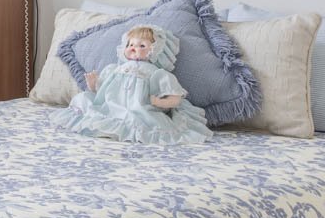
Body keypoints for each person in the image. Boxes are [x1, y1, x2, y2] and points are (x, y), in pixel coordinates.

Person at [54, 24, 212, 144]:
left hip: (139, 109)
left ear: (155, 50)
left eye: (141, 46)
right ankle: (106, 126)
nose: (134, 48)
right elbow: (104, 91)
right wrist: (94, 84)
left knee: (134, 119)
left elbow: (176, 98)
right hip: (110, 106)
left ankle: (122, 130)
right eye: (130, 45)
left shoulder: (155, 73)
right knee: (83, 99)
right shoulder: (115, 69)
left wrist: (160, 102)